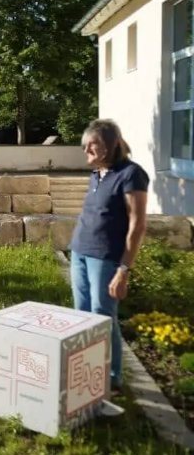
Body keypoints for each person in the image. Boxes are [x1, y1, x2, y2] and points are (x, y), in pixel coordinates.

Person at [69, 119, 148, 394]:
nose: (87, 149)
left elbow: (137, 225)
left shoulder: (131, 174)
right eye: (85, 144)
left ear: (111, 145)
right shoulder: (96, 174)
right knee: (83, 314)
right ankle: (86, 369)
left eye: (94, 144)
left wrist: (123, 270)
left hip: (106, 257)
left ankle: (113, 377)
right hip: (79, 251)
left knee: (103, 315)